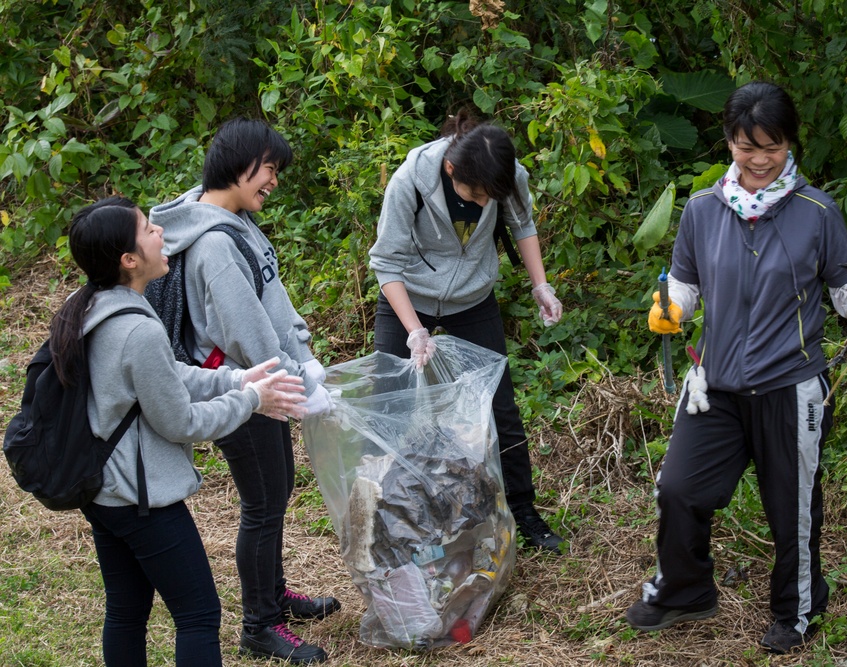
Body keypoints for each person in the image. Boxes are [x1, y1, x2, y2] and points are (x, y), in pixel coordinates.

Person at [625, 81, 847, 654]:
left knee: (793, 511)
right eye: (746, 145)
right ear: (728, 141)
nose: (759, 160)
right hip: (717, 386)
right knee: (678, 488)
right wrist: (670, 311)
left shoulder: (818, 213)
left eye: (772, 147)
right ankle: (685, 590)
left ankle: (798, 609)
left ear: (790, 145)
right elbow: (683, 284)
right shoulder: (704, 210)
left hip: (792, 387)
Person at [52, 197, 307, 666]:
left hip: (102, 488)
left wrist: (235, 379)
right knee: (198, 615)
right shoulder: (136, 330)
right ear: (129, 259)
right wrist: (253, 400)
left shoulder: (87, 304)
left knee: (127, 610)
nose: (161, 234)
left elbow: (164, 375)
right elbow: (182, 421)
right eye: (149, 230)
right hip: (141, 499)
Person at [149, 118, 335, 664]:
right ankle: (260, 625)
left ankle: (274, 595)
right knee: (262, 504)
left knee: (275, 496)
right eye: (269, 168)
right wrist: (297, 381)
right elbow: (246, 330)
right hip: (247, 386)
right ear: (238, 164)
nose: (273, 181)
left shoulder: (222, 214)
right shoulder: (213, 243)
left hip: (268, 379)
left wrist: (302, 362)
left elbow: (270, 301)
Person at [368, 110, 567, 554]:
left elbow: (523, 225)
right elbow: (386, 263)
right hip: (408, 296)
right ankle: (390, 520)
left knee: (500, 407)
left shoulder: (507, 174)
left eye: (488, 197)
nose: (481, 204)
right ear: (451, 169)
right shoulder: (410, 181)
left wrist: (541, 285)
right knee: (391, 408)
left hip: (473, 299)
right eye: (474, 194)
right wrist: (415, 332)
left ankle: (523, 511)